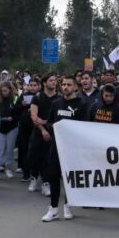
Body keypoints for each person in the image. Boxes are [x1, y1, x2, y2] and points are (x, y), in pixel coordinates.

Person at [41, 75, 87, 222]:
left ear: (75, 87)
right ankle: (53, 208)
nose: (65, 87)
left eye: (69, 84)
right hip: (56, 147)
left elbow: (85, 127)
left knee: (70, 178)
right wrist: (54, 126)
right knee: (54, 176)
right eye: (64, 84)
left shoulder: (82, 104)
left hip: (73, 148)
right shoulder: (56, 103)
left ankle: (68, 205)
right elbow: (49, 123)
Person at [28, 73, 60, 196]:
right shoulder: (37, 97)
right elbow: (34, 117)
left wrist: (46, 122)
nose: (54, 82)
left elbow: (57, 118)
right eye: (51, 80)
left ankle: (46, 183)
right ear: (44, 83)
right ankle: (34, 178)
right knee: (34, 157)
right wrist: (43, 129)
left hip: (53, 132)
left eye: (55, 80)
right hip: (38, 132)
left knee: (48, 159)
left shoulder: (59, 98)